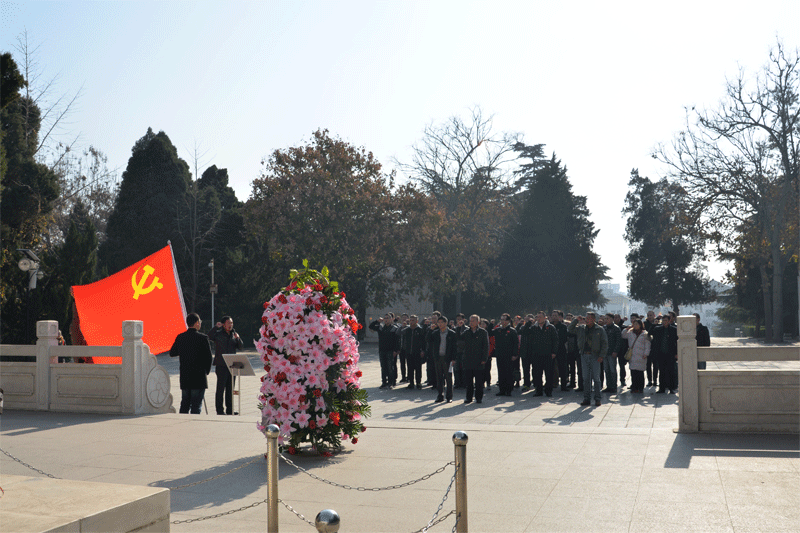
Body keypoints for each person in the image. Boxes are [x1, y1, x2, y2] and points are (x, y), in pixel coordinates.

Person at [171, 313, 213, 414]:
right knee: (196, 405)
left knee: (185, 404)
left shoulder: (180, 337)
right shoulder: (203, 338)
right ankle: (194, 421)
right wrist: (206, 372)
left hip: (185, 375)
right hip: (198, 376)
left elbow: (172, 353)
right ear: (197, 323)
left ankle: (181, 421)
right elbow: (209, 358)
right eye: (200, 322)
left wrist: (184, 351)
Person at [568, 312, 608, 407]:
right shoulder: (581, 328)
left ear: (594, 319)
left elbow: (604, 343)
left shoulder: (599, 329)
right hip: (584, 355)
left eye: (589, 318)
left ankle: (597, 399)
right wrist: (576, 320)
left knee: (596, 378)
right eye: (586, 318)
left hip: (595, 356)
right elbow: (570, 329)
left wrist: (602, 355)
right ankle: (586, 398)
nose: (587, 320)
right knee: (586, 378)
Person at [209, 315, 244, 415]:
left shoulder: (234, 334)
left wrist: (238, 338)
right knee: (220, 389)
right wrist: (216, 327)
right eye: (229, 323)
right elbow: (209, 336)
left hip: (232, 366)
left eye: (232, 323)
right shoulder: (218, 334)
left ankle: (230, 410)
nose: (231, 325)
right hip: (221, 365)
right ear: (223, 324)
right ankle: (220, 410)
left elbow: (241, 347)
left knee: (230, 389)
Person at [461, 314, 489, 404]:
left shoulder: (483, 332)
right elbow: (459, 338)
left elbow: (486, 346)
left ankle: (479, 397)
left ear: (478, 322)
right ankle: (468, 397)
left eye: (473, 321)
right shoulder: (466, 332)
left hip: (479, 360)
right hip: (468, 359)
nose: (471, 322)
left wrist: (484, 358)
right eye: (470, 321)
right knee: (468, 381)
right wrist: (460, 327)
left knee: (479, 381)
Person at [369, 313, 400, 389]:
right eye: (385, 318)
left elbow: (397, 341)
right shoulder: (381, 327)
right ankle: (384, 382)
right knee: (383, 367)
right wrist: (377, 321)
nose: (386, 319)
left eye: (388, 318)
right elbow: (371, 326)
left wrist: (396, 350)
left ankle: (391, 382)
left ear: (391, 319)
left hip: (391, 350)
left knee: (390, 367)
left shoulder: (394, 328)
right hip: (382, 350)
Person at [431, 315, 457, 403]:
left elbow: (454, 347)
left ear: (446, 323)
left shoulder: (451, 333)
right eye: (439, 322)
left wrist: (453, 359)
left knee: (448, 378)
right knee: (439, 378)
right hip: (438, 358)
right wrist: (431, 330)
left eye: (442, 322)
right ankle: (440, 396)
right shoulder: (435, 333)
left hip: (448, 359)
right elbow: (427, 339)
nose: (440, 324)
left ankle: (449, 397)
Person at [622, 319, 651, 393]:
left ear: (640, 325)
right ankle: (634, 387)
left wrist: (646, 353)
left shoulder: (645, 333)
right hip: (633, 355)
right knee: (633, 372)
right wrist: (626, 329)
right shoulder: (630, 332)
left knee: (640, 373)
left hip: (641, 355)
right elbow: (623, 335)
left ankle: (640, 387)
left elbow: (647, 345)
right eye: (634, 324)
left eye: (637, 324)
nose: (635, 326)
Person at [651, 313, 678, 394]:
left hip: (670, 354)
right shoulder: (658, 329)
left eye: (666, 320)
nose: (664, 322)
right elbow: (650, 334)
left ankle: (671, 388)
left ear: (669, 321)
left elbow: (676, 342)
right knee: (662, 371)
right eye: (663, 320)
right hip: (660, 353)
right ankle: (662, 388)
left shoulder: (674, 329)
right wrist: (654, 324)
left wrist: (676, 353)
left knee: (671, 371)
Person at [493, 313, 519, 396]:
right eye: (501, 319)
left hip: (509, 355)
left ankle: (509, 390)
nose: (502, 321)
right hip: (500, 354)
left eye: (504, 319)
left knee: (509, 373)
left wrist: (515, 354)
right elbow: (489, 332)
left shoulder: (512, 331)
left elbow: (516, 343)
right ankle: (502, 390)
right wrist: (491, 324)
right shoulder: (498, 330)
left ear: (508, 321)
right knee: (501, 372)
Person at [400, 315, 427, 389]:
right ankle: (411, 383)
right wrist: (403, 326)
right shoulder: (407, 330)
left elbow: (424, 342)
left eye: (413, 320)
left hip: (417, 352)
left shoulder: (420, 330)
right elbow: (399, 333)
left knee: (418, 368)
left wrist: (423, 351)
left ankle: (418, 383)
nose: (411, 322)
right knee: (410, 368)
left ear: (417, 321)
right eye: (410, 320)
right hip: (409, 352)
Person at [602, 312, 622, 393]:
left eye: (608, 318)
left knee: (612, 370)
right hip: (604, 352)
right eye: (605, 318)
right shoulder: (604, 328)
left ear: (612, 319)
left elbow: (618, 341)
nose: (606, 320)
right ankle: (608, 386)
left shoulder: (616, 328)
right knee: (606, 370)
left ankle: (614, 386)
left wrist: (615, 351)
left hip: (612, 352)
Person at [551, 310, 570, 391]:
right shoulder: (549, 326)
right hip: (551, 350)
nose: (554, 317)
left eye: (556, 315)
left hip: (561, 349)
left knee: (563, 368)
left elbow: (564, 339)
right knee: (551, 368)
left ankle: (563, 385)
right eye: (553, 315)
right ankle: (552, 383)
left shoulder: (563, 327)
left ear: (559, 317)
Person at [644, 310, 658, 386]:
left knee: (656, 365)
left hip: (655, 347)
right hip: (647, 346)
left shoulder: (658, 323)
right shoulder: (645, 324)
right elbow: (648, 333)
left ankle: (655, 380)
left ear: (654, 315)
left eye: (651, 315)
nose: (649, 317)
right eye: (648, 315)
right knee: (648, 365)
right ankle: (649, 380)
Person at [480, 318, 494, 390]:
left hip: (488, 354)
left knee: (487, 370)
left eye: (483, 324)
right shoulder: (478, 332)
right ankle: (481, 383)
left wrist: (489, 353)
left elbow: (491, 345)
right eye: (481, 324)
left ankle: (488, 383)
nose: (482, 325)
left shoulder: (489, 333)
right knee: (480, 370)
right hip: (479, 354)